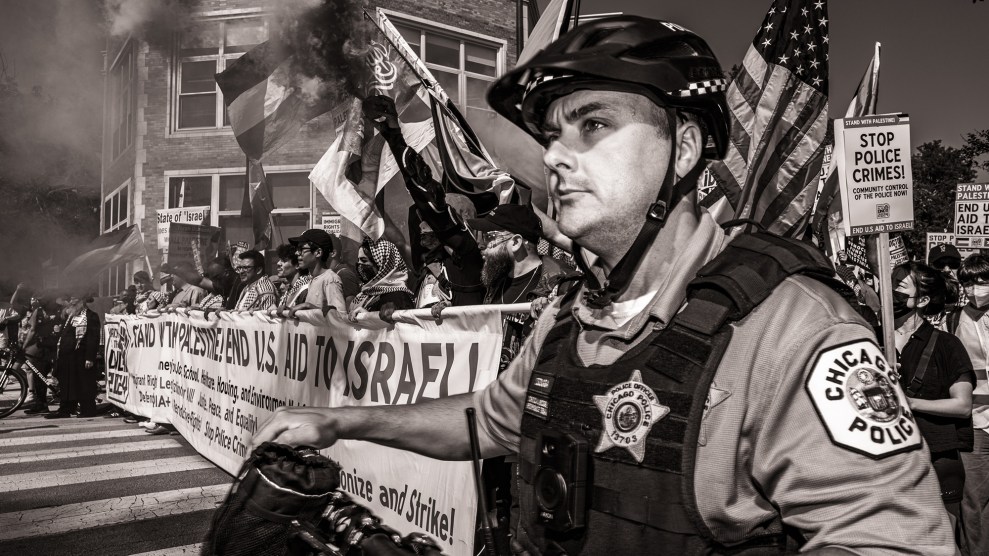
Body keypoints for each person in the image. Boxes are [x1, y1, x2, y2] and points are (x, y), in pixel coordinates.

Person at [253, 16, 954, 554]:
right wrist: (342, 422)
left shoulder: (792, 329)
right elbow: (488, 422)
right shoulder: (570, 318)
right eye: (553, 135)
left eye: (594, 125)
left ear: (682, 149)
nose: (556, 157)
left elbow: (888, 538)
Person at [362, 94, 487, 311]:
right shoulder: (425, 267)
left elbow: (426, 192)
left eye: (427, 221)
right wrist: (395, 314)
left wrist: (394, 135)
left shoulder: (468, 259)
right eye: (421, 221)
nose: (421, 228)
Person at [891, 262, 974, 543]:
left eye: (900, 288)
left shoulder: (947, 345)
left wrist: (911, 403)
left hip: (937, 457)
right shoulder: (871, 337)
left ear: (922, 300)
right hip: (888, 459)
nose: (891, 293)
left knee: (939, 542)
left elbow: (962, 405)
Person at [953, 253, 989, 555]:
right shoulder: (952, 319)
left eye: (983, 282)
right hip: (975, 425)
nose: (976, 289)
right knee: (974, 502)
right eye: (969, 283)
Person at [46, 292, 101, 419]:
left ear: (82, 302)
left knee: (84, 384)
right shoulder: (70, 316)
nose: (72, 302)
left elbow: (93, 338)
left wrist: (90, 357)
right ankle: (65, 409)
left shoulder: (91, 316)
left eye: (75, 301)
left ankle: (88, 409)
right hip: (67, 356)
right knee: (66, 385)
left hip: (81, 356)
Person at [284, 229, 346, 319]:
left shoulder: (330, 279)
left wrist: (308, 306)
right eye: (297, 249)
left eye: (301, 249)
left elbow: (341, 317)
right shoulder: (313, 279)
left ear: (318, 252)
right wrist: (288, 310)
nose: (297, 253)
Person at [348, 237, 414, 321]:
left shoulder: (397, 296)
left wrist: (369, 317)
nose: (359, 264)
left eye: (364, 261)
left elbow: (402, 330)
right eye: (358, 260)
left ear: (382, 265)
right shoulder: (365, 294)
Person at [271, 243, 312, 313]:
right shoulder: (290, 289)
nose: (278, 263)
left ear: (297, 265)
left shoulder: (305, 289)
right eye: (279, 260)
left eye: (284, 260)